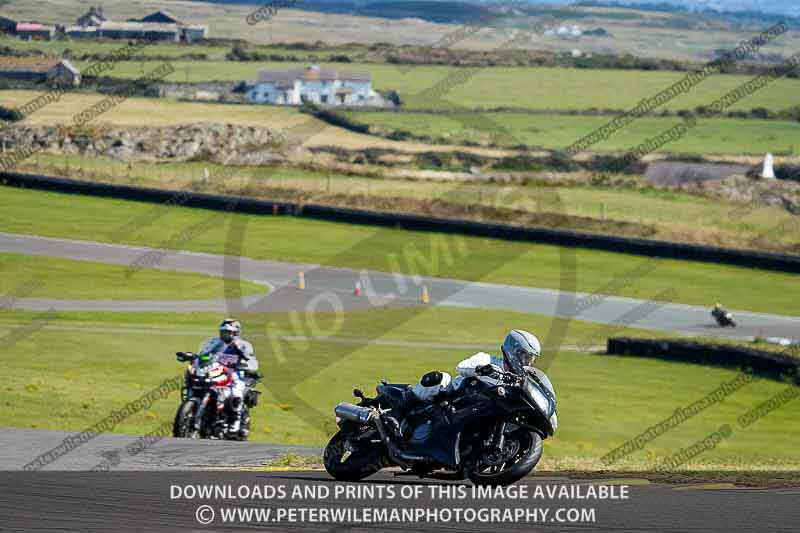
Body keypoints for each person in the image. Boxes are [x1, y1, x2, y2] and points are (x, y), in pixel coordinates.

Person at [399, 330, 544, 420]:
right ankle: (397, 413)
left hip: (482, 411)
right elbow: (461, 367)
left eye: (531, 359)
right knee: (440, 378)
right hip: (454, 397)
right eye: (525, 357)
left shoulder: (518, 381)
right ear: (514, 351)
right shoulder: (487, 359)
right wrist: (482, 369)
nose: (528, 363)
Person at [198, 319, 258, 436]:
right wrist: (199, 359)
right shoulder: (214, 342)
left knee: (236, 392)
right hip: (216, 371)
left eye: (227, 332)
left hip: (236, 374)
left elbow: (253, 363)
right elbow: (204, 355)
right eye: (223, 332)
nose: (224, 335)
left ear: (235, 333)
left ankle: (235, 421)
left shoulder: (244, 345)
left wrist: (245, 365)